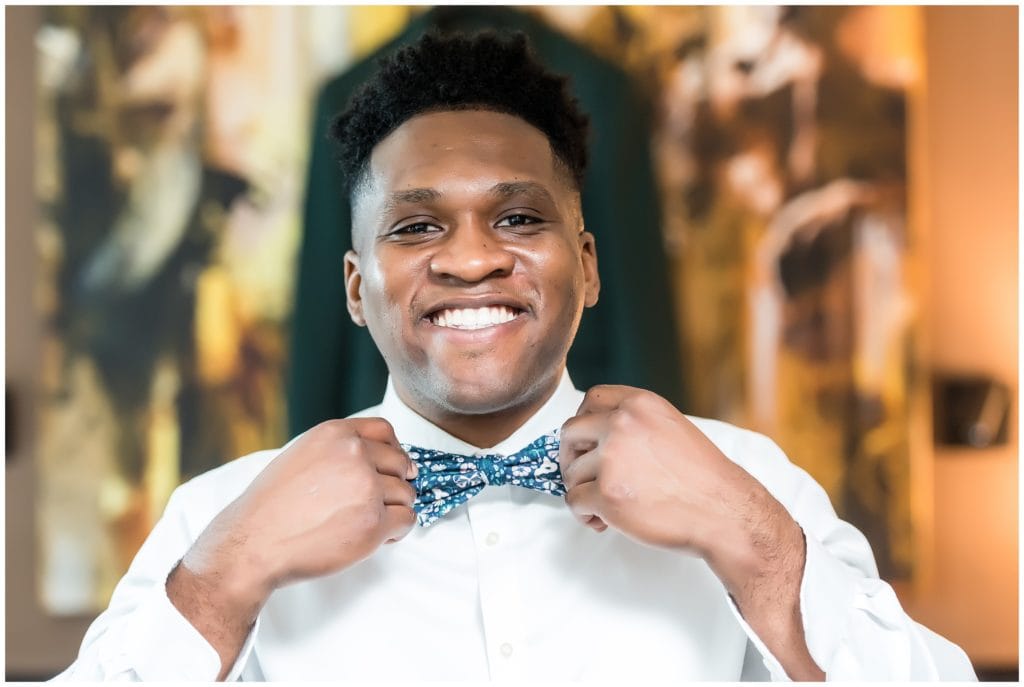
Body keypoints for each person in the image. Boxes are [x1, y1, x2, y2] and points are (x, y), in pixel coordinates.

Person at [57, 30, 975, 681]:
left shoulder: (750, 483)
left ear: (586, 262)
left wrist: (759, 548)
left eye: (519, 217)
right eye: (417, 226)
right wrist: (222, 583)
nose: (469, 257)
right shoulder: (215, 519)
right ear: (352, 287)